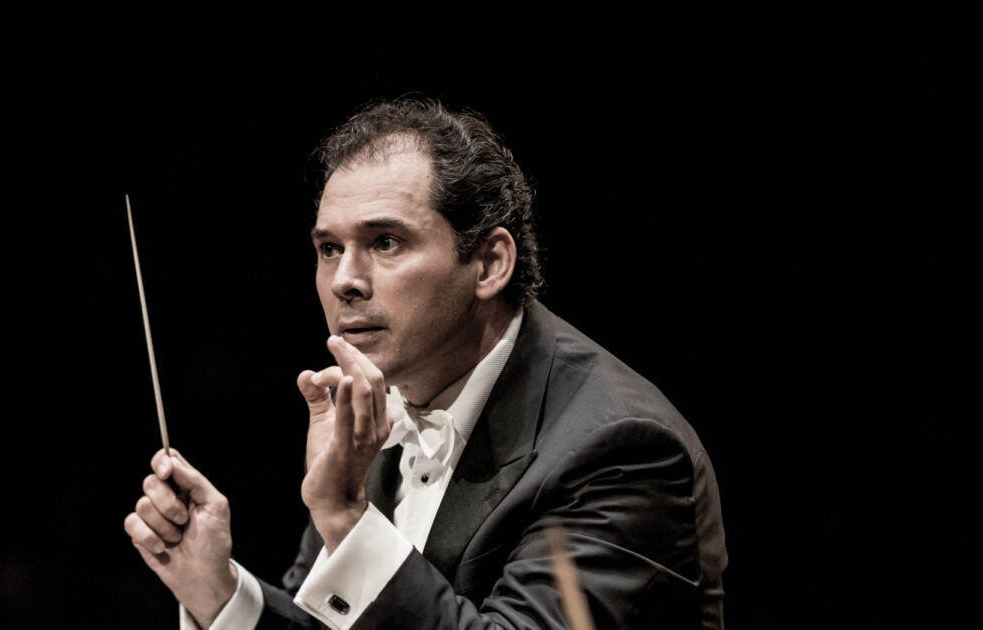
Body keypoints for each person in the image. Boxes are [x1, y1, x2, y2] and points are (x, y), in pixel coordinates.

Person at [124, 97, 727, 629]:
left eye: (385, 242)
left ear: (489, 264)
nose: (344, 280)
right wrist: (218, 593)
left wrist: (346, 518)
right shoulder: (373, 412)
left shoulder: (621, 448)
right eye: (329, 248)